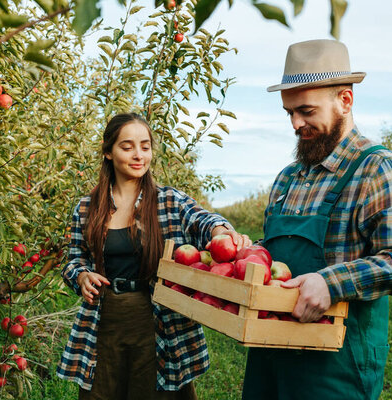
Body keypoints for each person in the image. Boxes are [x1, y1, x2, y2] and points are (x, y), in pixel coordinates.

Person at [241, 40, 392, 400]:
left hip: (335, 361)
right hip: (269, 351)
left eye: (306, 111)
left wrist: (331, 284)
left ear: (345, 100)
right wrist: (248, 256)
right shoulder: (287, 178)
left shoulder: (378, 169)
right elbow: (278, 254)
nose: (296, 123)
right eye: (289, 112)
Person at [56, 112, 251, 399]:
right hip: (106, 319)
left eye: (145, 147)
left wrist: (221, 232)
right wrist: (81, 276)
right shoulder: (87, 208)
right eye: (127, 147)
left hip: (159, 319)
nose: (138, 155)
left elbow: (203, 220)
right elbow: (73, 260)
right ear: (108, 152)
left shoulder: (169, 200)